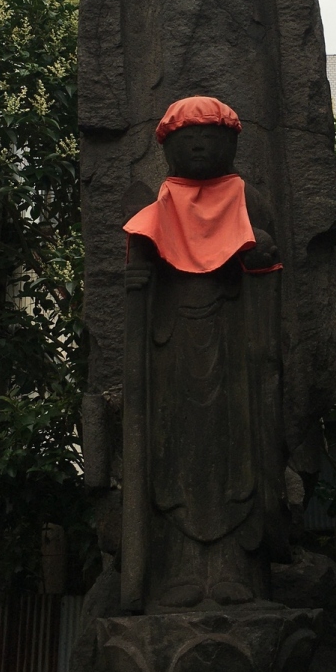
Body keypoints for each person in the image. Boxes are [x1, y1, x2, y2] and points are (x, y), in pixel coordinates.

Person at [79, 0, 336, 557]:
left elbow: (297, 24)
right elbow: (100, 33)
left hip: (261, 140)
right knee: (142, 327)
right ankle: (146, 529)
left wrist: (302, 144)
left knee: (273, 328)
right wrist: (106, 123)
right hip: (143, 141)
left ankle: (273, 504)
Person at [120, 97, 286, 611]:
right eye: (187, 138)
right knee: (173, 454)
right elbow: (141, 276)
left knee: (238, 455)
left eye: (210, 138)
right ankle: (180, 571)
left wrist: (260, 256)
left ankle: (236, 570)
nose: (198, 146)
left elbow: (269, 269)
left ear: (231, 144)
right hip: (171, 350)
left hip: (235, 348)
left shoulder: (247, 198)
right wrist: (139, 280)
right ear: (167, 148)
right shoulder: (160, 204)